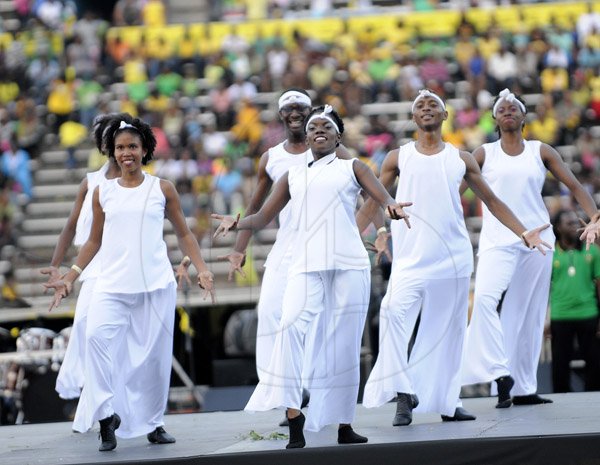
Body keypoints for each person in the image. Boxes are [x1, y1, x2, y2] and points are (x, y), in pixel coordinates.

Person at [212, 105, 411, 449]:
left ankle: (344, 423)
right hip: (305, 266)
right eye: (313, 126)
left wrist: (391, 207)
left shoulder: (354, 167)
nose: (319, 129)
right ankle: (294, 416)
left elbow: (381, 198)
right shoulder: (291, 176)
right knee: (289, 327)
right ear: (306, 137)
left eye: (326, 126)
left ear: (337, 136)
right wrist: (237, 223)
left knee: (344, 345)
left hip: (349, 264)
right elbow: (261, 218)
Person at [360, 89, 550, 427]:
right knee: (391, 312)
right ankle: (404, 393)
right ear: (414, 117)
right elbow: (373, 198)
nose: (428, 108)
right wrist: (372, 232)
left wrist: (523, 231)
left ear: (445, 116)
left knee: (449, 334)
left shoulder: (461, 159)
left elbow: (493, 201)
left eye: (434, 104)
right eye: (421, 105)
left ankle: (448, 403)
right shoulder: (396, 157)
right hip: (411, 260)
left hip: (453, 259)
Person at [45, 116, 215, 452]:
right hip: (112, 286)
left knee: (154, 359)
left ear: (144, 150)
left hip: (155, 287)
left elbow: (183, 233)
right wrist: (71, 274)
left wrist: (202, 268)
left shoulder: (162, 188)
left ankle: (154, 424)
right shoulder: (101, 191)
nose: (127, 153)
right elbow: (93, 242)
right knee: (95, 339)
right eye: (120, 147)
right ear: (112, 151)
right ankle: (107, 416)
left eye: (132, 147)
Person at [461, 89, 600, 407]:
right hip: (499, 241)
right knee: (483, 300)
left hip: (538, 241)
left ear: (523, 117)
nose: (508, 110)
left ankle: (521, 387)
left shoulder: (541, 150)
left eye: (514, 107)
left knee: (528, 316)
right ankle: (498, 373)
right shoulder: (483, 153)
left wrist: (594, 217)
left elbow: (575, 186)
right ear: (495, 119)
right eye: (502, 108)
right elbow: (455, 191)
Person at [549, 209, 600, 393]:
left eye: (576, 223)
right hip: (560, 315)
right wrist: (546, 318)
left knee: (595, 361)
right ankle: (561, 399)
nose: (575, 226)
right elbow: (545, 288)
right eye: (569, 223)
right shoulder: (549, 252)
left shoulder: (592, 250)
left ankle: (593, 396)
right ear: (558, 228)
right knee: (560, 363)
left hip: (588, 314)